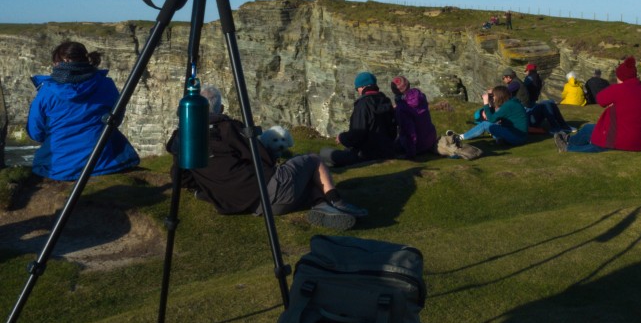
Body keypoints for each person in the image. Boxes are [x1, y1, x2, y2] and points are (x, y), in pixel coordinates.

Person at [168, 86, 366, 231]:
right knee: (313, 160)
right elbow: (260, 155)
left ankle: (321, 204)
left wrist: (204, 188)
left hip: (251, 207)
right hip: (268, 191)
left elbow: (181, 178)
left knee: (301, 181)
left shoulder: (183, 140)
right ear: (220, 109)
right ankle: (337, 201)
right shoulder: (228, 127)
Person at [27, 41, 139, 181]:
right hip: (102, 161)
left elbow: (35, 132)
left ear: (64, 61)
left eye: (55, 61)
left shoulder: (47, 92)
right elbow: (116, 119)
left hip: (60, 167)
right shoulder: (106, 84)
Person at [555, 57, 641, 153]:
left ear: (621, 77)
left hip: (628, 140)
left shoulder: (619, 89)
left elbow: (600, 99)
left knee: (599, 144)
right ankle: (569, 140)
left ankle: (568, 147)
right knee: (588, 129)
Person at [322, 72, 397, 167]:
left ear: (362, 87)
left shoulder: (363, 105)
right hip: (387, 151)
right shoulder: (386, 101)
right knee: (338, 155)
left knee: (324, 153)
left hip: (366, 155)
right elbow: (393, 131)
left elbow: (357, 134)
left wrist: (341, 137)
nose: (358, 91)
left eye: (357, 88)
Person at [457, 85, 529, 146]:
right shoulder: (512, 102)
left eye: (494, 96)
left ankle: (461, 137)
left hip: (517, 137)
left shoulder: (508, 105)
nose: (493, 98)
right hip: (520, 135)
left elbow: (491, 119)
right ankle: (500, 139)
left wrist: (486, 103)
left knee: (485, 124)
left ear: (499, 96)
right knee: (495, 124)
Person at [390, 76, 438, 158]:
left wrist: (410, 154)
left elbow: (409, 132)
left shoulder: (402, 109)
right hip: (430, 139)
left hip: (418, 146)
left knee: (390, 147)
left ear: (394, 91)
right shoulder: (420, 96)